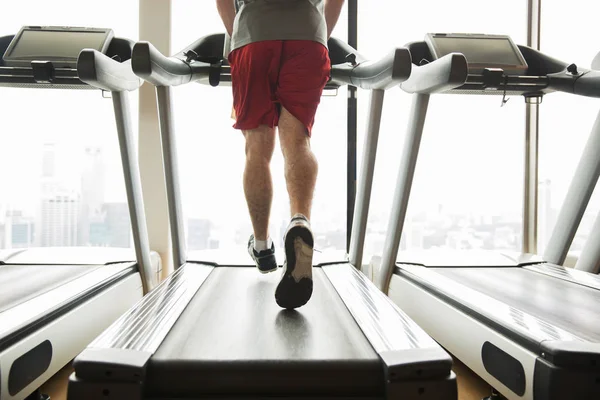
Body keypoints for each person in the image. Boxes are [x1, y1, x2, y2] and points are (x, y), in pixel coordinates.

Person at [216, 0, 345, 309]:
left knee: (257, 149)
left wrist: (240, 36)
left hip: (253, 36)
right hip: (308, 36)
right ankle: (300, 221)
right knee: (298, 142)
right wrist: (319, 35)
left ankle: (261, 246)